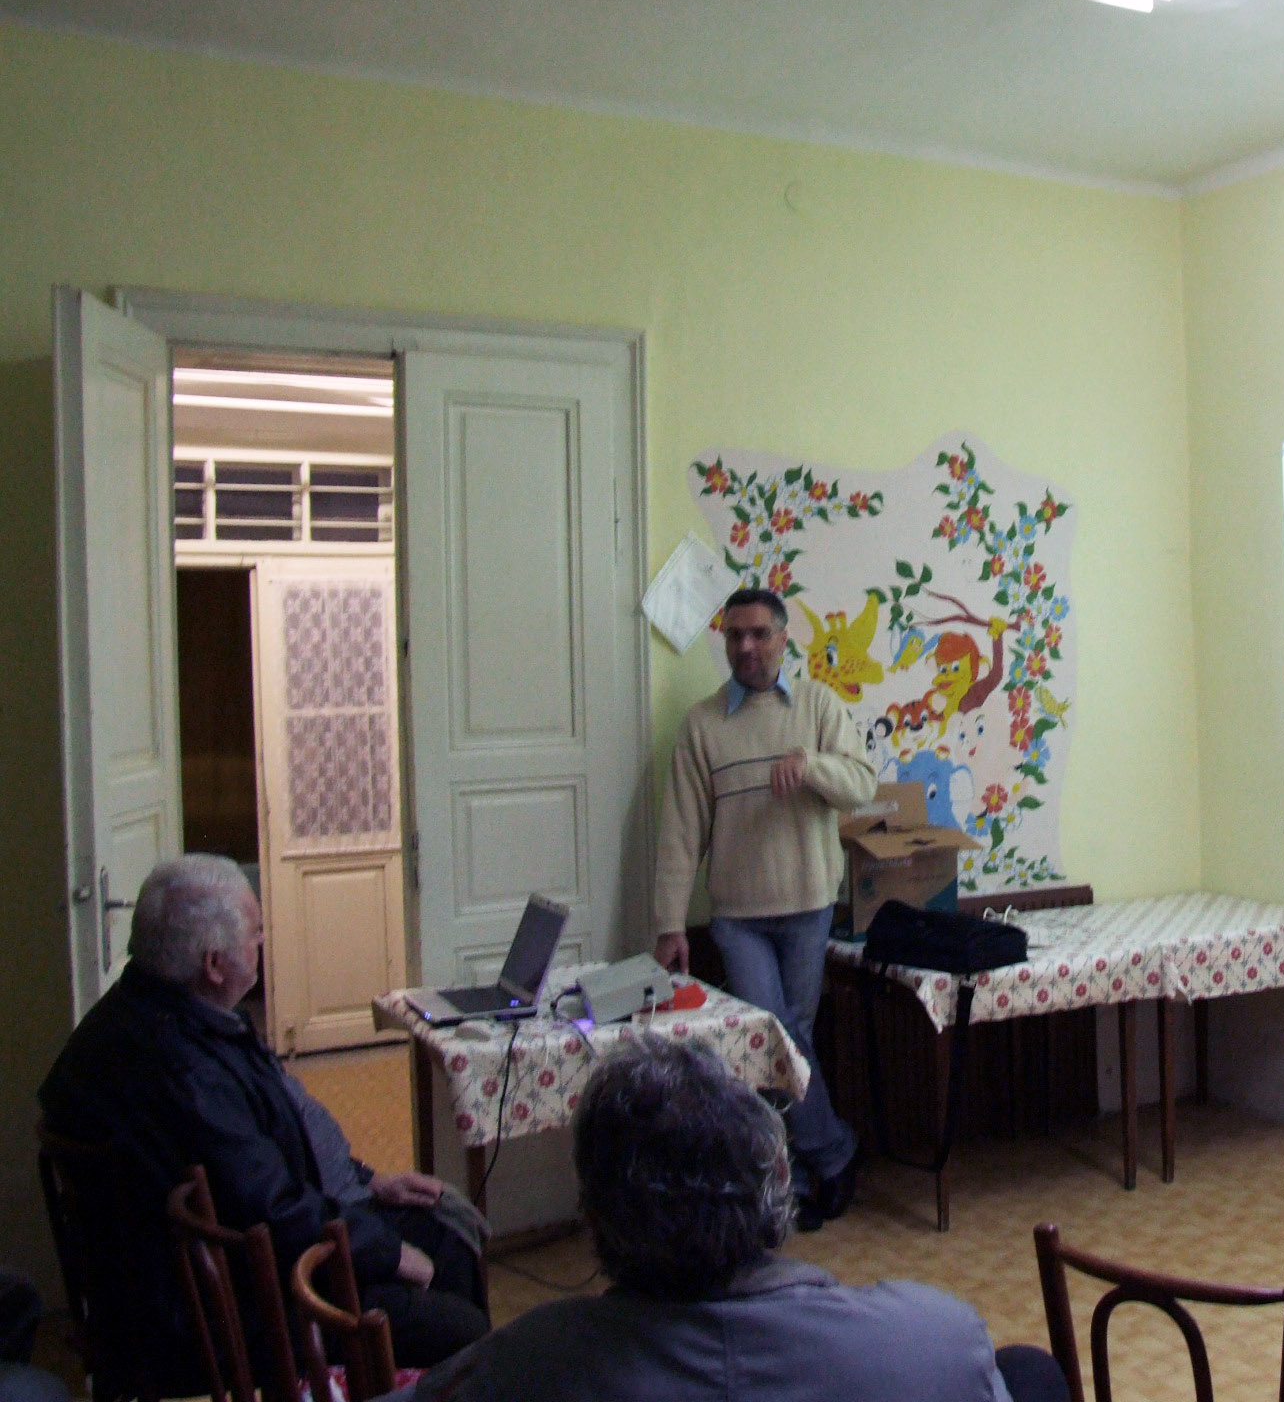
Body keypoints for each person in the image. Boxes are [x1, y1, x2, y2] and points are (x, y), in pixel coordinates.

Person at [392, 1034, 1068, 1402]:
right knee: (1029, 1373)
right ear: (778, 1184)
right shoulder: (936, 1338)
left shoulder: (522, 1362)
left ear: (592, 1213)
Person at [39, 854, 489, 1379]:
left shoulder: (147, 1007)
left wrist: (367, 1180)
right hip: (216, 1308)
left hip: (209, 1262)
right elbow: (274, 1212)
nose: (263, 942)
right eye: (255, 933)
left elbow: (270, 1148)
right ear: (214, 964)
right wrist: (389, 1254)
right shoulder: (185, 1074)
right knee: (457, 1326)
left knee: (447, 1237)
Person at [652, 585, 877, 1228]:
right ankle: (830, 1153)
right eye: (734, 635)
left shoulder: (817, 705)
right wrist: (670, 923)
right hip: (737, 917)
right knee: (769, 1041)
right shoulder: (702, 725)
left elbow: (861, 785)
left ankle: (796, 1179)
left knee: (791, 1038)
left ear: (783, 639)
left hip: (808, 905)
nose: (746, 646)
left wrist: (810, 766)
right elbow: (681, 833)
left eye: (758, 634)